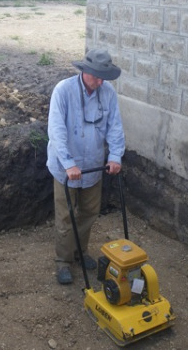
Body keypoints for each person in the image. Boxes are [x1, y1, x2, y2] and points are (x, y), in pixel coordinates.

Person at [47, 48, 125, 285]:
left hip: (93, 166)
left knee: (89, 213)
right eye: (96, 76)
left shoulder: (107, 92)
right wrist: (69, 163)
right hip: (66, 169)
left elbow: (115, 127)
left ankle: (80, 252)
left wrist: (115, 157)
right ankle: (63, 261)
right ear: (85, 71)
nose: (100, 81)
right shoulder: (63, 90)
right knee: (66, 216)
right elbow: (57, 131)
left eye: (104, 77)